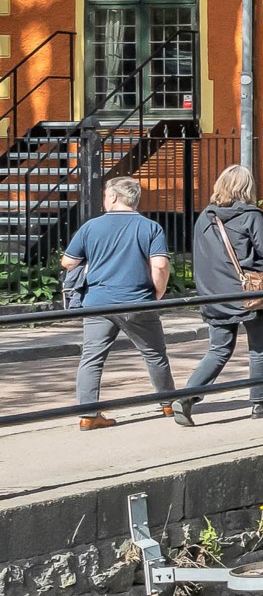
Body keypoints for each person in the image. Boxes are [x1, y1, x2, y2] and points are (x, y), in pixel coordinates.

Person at [65, 174, 172, 429]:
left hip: (98, 301)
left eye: (105, 195)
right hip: (137, 300)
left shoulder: (91, 227)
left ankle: (88, 415)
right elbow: (160, 264)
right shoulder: (150, 227)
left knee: (92, 357)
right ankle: (169, 402)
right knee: (154, 353)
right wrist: (159, 291)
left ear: (113, 196)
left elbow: (69, 262)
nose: (104, 199)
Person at [178, 165, 263, 423]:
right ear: (247, 188)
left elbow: (201, 257)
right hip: (250, 292)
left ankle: (186, 397)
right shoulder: (251, 215)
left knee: (219, 349)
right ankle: (260, 402)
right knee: (259, 349)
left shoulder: (205, 217)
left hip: (215, 293)